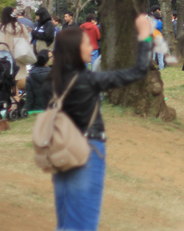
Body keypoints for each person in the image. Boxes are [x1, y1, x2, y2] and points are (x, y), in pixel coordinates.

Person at [43, 15, 152, 231]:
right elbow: (138, 71)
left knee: (66, 221)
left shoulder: (52, 80)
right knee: (83, 223)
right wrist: (145, 37)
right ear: (75, 50)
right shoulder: (87, 80)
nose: (91, 47)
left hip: (60, 151)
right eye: (86, 43)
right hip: (87, 151)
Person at [1, 7, 31, 89]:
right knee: (18, 82)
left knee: (7, 83)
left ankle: (12, 99)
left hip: (5, 60)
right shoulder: (21, 27)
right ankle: (17, 98)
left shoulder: (2, 28)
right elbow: (27, 42)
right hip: (19, 58)